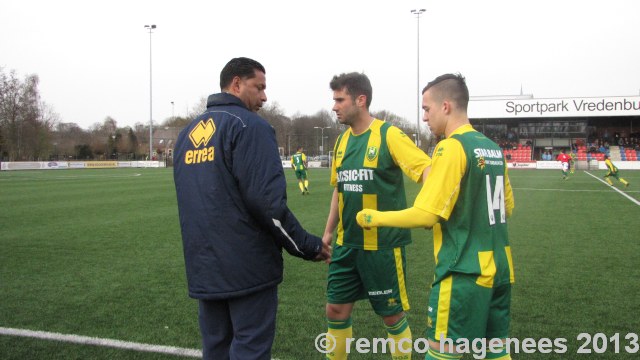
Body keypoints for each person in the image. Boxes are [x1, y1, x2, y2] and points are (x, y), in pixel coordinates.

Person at [173, 57, 331, 360]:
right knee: (250, 350)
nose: (264, 97)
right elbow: (268, 205)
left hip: (204, 267)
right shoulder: (250, 126)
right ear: (236, 84)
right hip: (246, 268)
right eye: (259, 88)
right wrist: (308, 245)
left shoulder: (186, 136)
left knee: (215, 350)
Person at [357, 73, 515, 360]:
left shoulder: (451, 146)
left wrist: (375, 218)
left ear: (446, 106)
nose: (425, 117)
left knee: (443, 354)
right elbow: (508, 207)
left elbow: (426, 215)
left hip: (463, 271)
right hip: (501, 268)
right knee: (496, 353)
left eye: (427, 109)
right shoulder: (492, 148)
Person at [322, 72, 431, 360]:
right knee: (335, 309)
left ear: (361, 99)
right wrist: (328, 232)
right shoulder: (342, 142)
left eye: (339, 99)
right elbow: (339, 189)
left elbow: (427, 171)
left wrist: (434, 209)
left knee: (391, 316)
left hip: (382, 246)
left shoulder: (389, 135)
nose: (334, 106)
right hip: (347, 245)